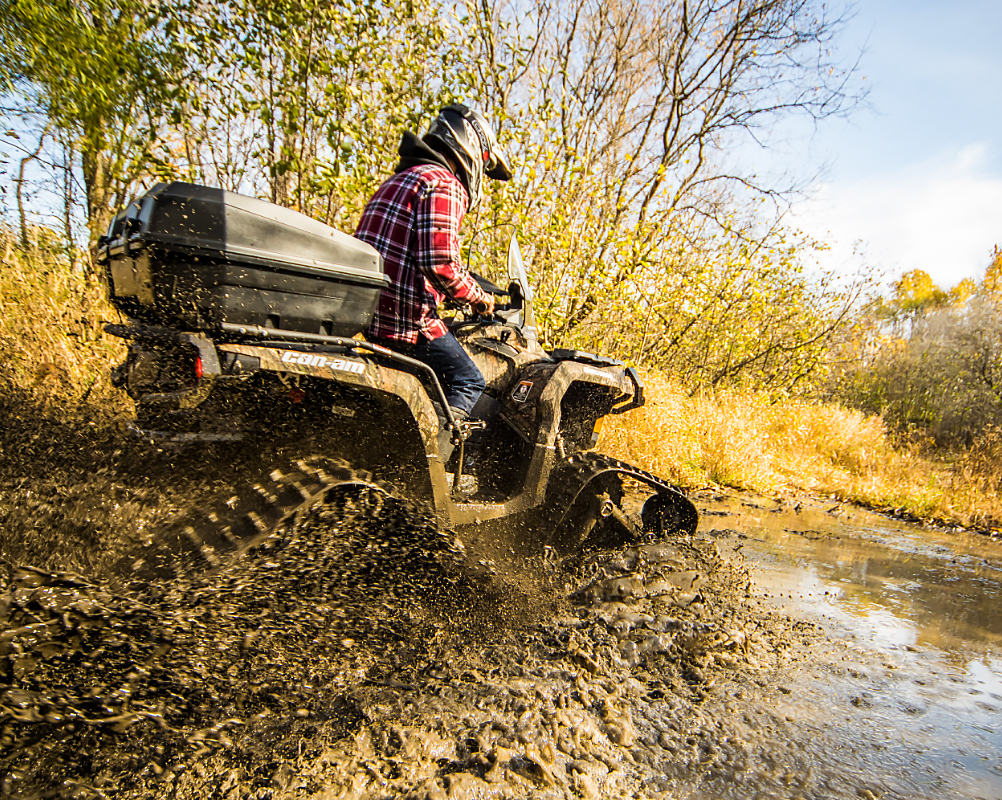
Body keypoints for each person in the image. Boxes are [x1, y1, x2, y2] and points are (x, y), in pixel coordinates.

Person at [355, 103, 512, 427]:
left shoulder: (403, 178)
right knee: (468, 381)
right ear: (471, 147)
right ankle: (428, 470)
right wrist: (480, 299)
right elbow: (439, 262)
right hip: (405, 322)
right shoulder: (444, 183)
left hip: (372, 314)